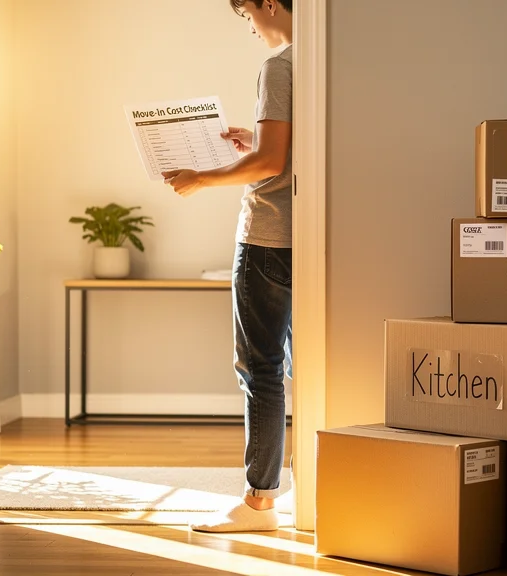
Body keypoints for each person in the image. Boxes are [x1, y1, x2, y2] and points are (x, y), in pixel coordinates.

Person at [161, 0, 293, 533]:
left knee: (260, 369)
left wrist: (201, 178)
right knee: (303, 367)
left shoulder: (280, 65)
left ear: (268, 3)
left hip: (268, 238)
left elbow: (270, 164)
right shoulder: (330, 58)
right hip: (311, 238)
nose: (251, 28)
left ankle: (260, 503)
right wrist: (254, 137)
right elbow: (290, 150)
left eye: (247, 15)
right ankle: (312, 485)